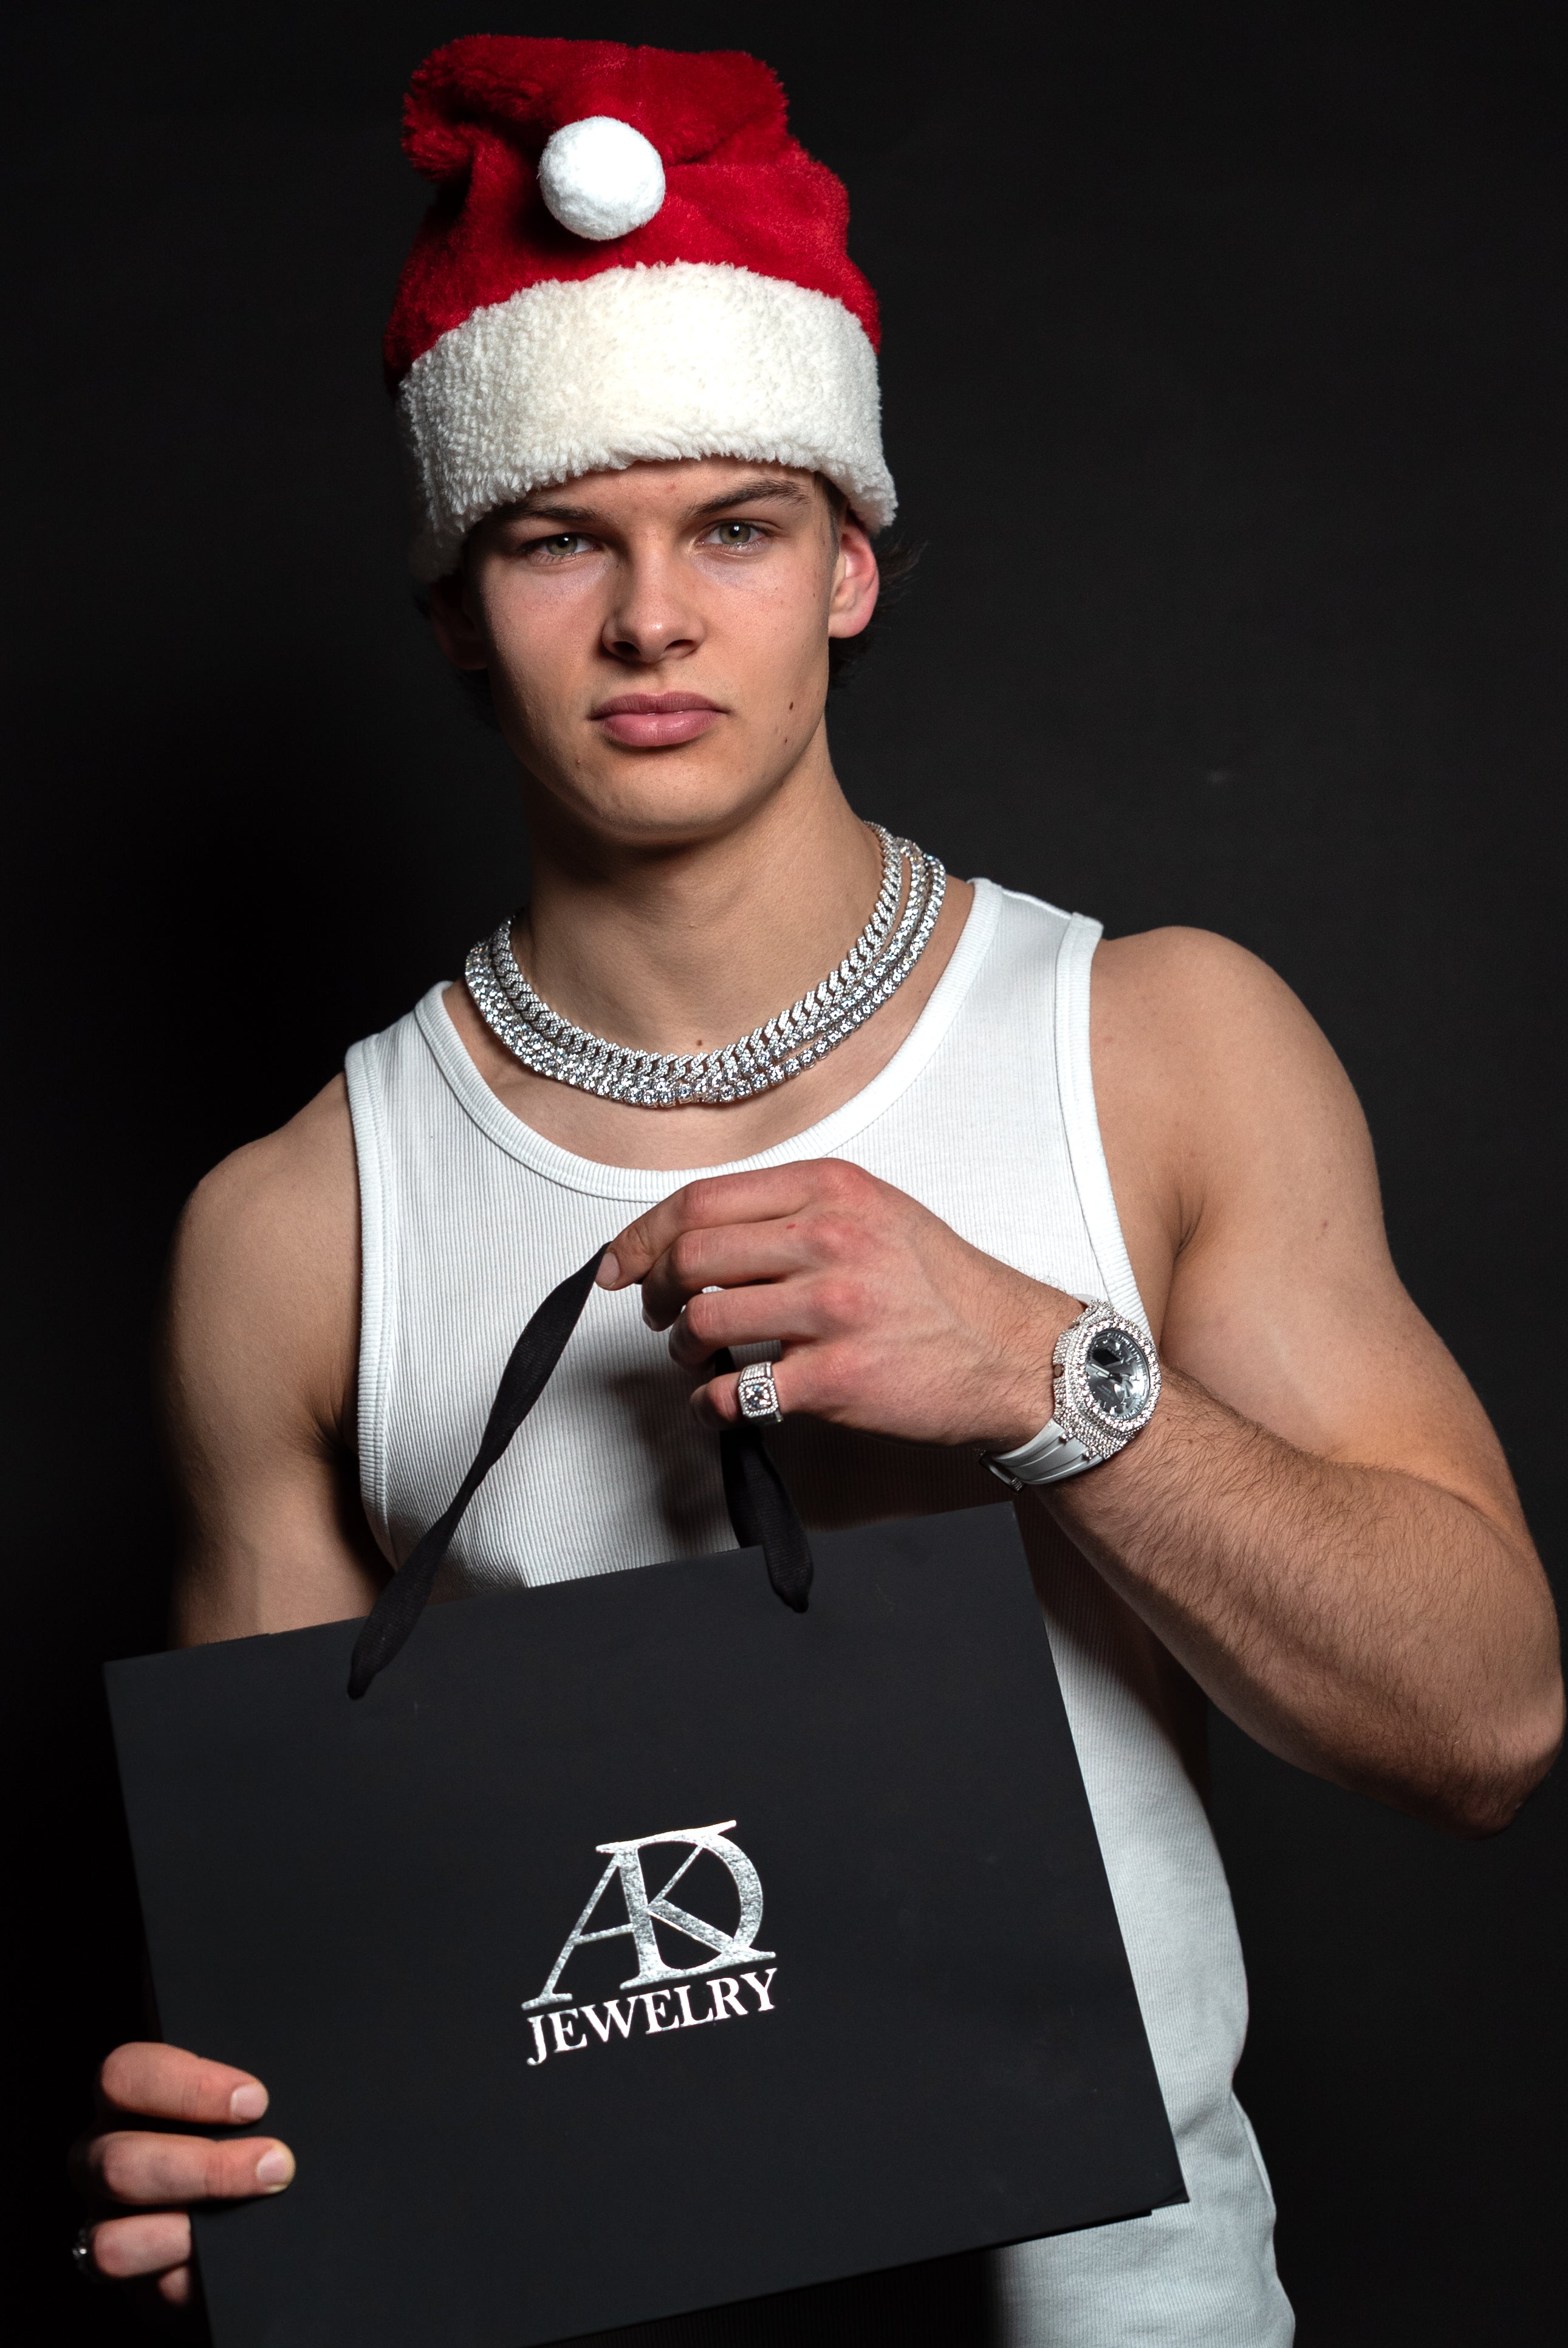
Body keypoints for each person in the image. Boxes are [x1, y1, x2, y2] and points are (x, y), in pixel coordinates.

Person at [70, 33, 1560, 2344]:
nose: (653, 619)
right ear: (457, 601)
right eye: (560, 538)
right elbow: (314, 1990)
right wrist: (243, 2179)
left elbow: (1485, 1724)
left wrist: (1051, 1382)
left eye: (735, 529)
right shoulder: (296, 1232)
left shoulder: (1154, 1045)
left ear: (849, 565)